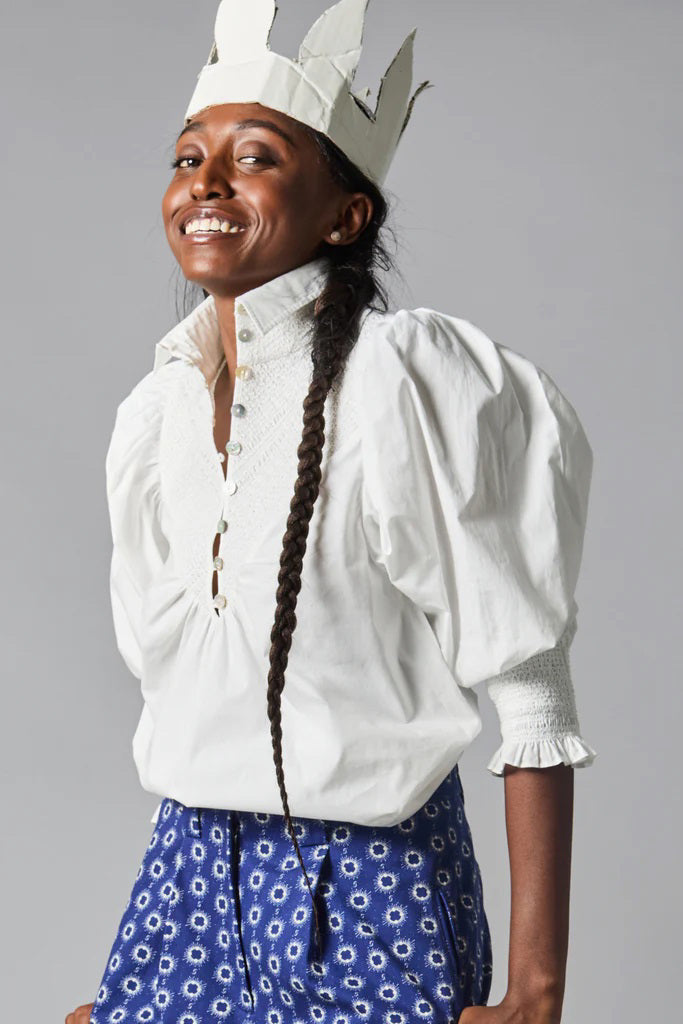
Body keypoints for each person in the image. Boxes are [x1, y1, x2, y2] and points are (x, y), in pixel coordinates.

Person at [66, 1, 597, 1022]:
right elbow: (187, 700)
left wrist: (535, 991)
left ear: (345, 215)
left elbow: (527, 681)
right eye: (186, 158)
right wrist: (137, 969)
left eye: (253, 156)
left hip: (367, 885)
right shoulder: (155, 413)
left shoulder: (403, 383)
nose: (205, 183)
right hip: (184, 878)